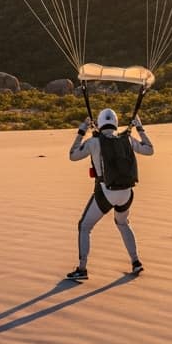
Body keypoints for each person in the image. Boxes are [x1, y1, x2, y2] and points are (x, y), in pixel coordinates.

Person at [65, 107, 154, 281]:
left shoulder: (93, 142)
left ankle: (82, 268)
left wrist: (82, 131)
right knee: (122, 223)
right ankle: (136, 261)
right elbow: (149, 150)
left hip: (106, 193)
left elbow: (73, 155)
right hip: (127, 193)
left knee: (84, 226)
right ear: (115, 123)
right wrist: (140, 128)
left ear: (99, 123)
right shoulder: (126, 138)